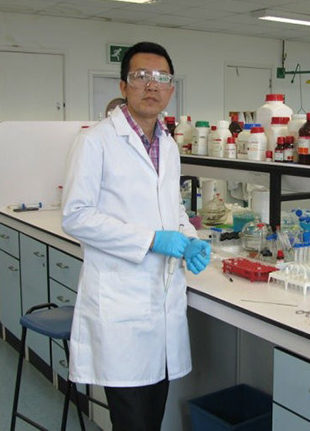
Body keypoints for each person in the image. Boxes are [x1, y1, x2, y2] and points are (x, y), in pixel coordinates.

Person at [62, 41, 210, 431]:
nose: (152, 85)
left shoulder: (168, 144)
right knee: (133, 423)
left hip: (161, 303)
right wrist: (151, 240)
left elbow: (172, 208)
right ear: (124, 85)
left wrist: (188, 237)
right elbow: (76, 216)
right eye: (141, 76)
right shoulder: (95, 141)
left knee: (152, 418)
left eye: (161, 78)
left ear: (171, 89)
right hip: (121, 305)